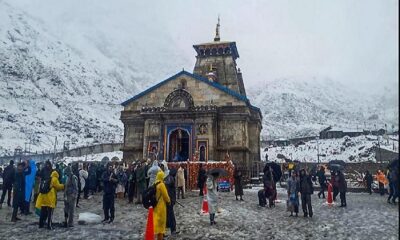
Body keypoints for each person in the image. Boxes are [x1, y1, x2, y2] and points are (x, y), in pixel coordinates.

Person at [154, 171, 171, 240]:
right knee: (161, 223)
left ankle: (159, 236)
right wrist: (169, 201)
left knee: (157, 222)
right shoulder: (161, 184)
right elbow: (165, 195)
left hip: (156, 205)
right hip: (161, 206)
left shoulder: (155, 183)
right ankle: (160, 237)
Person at [165, 168, 178, 235]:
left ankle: (167, 226)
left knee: (167, 214)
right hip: (170, 199)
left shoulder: (167, 178)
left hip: (167, 199)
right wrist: (173, 199)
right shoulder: (171, 179)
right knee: (171, 215)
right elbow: (171, 191)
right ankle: (173, 230)